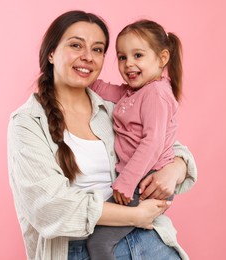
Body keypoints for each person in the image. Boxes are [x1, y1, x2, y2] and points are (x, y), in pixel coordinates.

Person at [7, 10, 197, 260]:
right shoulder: (28, 122)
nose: (87, 57)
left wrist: (175, 170)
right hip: (81, 249)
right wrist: (134, 215)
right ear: (51, 52)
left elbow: (167, 145)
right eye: (76, 45)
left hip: (151, 241)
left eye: (97, 50)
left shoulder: (114, 107)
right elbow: (49, 208)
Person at [86, 20, 184, 260]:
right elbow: (106, 89)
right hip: (135, 181)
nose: (128, 63)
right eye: (122, 57)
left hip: (144, 183)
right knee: (100, 235)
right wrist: (84, 75)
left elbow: (153, 143)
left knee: (98, 242)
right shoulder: (135, 91)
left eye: (138, 55)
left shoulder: (156, 94)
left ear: (162, 58)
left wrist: (126, 183)